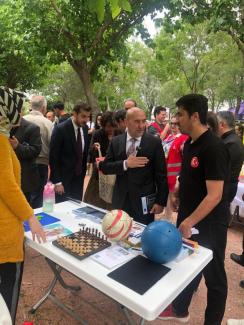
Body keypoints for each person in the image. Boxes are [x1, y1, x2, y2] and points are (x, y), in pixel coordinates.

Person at [159, 94, 230, 325]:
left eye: (180, 114)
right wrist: (178, 189)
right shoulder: (189, 143)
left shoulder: (214, 147)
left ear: (195, 116)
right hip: (189, 217)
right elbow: (190, 175)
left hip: (210, 224)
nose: (176, 119)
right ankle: (180, 310)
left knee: (214, 277)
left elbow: (215, 195)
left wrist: (189, 221)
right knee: (189, 266)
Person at [0, 86, 46, 323]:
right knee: (8, 290)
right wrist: (31, 217)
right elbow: (7, 186)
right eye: (18, 106)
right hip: (4, 233)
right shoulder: (0, 140)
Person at [99, 107, 168, 225]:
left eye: (143, 121)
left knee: (141, 237)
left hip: (144, 202)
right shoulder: (116, 141)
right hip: (121, 199)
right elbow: (105, 167)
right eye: (137, 121)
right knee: (118, 231)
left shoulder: (154, 142)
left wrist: (160, 201)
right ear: (126, 122)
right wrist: (125, 164)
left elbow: (161, 174)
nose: (141, 126)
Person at [49, 101, 91, 202]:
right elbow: (53, 157)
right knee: (63, 211)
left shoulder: (85, 128)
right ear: (74, 114)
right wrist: (57, 182)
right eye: (83, 116)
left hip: (79, 178)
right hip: (63, 180)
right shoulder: (60, 129)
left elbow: (82, 153)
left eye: (88, 117)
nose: (86, 120)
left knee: (76, 210)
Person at [84, 111, 118, 209]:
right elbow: (90, 151)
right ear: (103, 125)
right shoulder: (98, 134)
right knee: (95, 200)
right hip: (99, 172)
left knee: (111, 197)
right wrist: (94, 148)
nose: (110, 129)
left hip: (114, 172)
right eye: (108, 126)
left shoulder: (119, 133)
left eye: (113, 126)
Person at [24, 95, 53, 208]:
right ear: (44, 108)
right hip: (41, 163)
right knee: (37, 195)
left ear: (31, 106)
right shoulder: (48, 123)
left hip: (22, 162)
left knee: (24, 193)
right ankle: (35, 221)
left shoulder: (23, 120)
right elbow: (52, 145)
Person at [9, 117, 42, 206]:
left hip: (24, 179)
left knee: (23, 207)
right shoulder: (3, 127)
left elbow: (36, 151)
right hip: (6, 177)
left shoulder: (32, 128)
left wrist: (17, 147)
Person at [162, 115, 188, 221]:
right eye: (171, 123)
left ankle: (167, 225)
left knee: (171, 203)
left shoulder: (183, 138)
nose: (173, 125)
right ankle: (166, 221)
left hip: (175, 177)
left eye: (176, 123)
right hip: (165, 174)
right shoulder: (169, 137)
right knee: (166, 202)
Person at [217, 111, 244, 203]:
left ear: (221, 124)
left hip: (225, 188)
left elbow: (219, 168)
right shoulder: (230, 140)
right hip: (225, 187)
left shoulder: (231, 142)